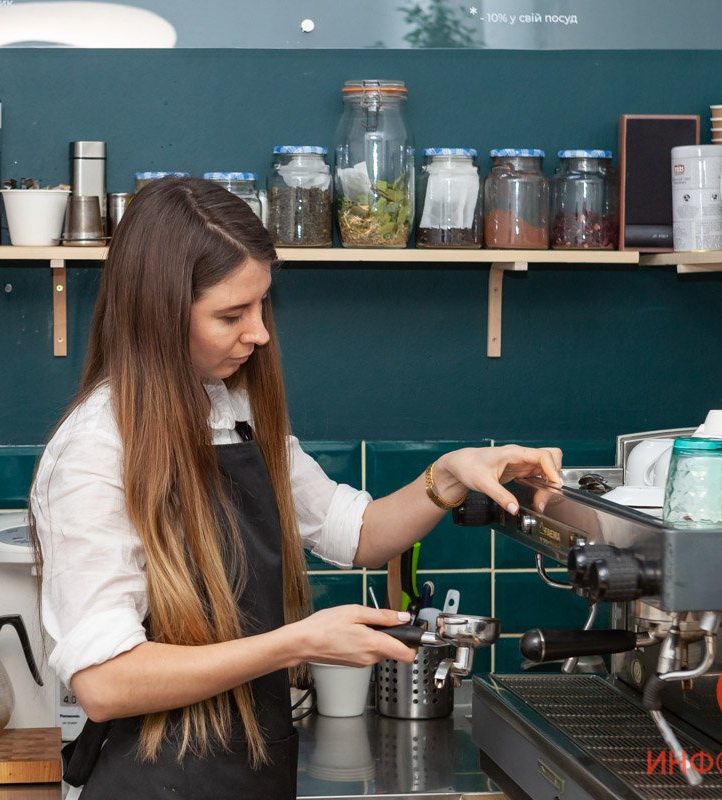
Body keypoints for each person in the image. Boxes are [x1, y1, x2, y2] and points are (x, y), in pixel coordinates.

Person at [29, 177, 562, 799]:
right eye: (231, 314)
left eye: (262, 307)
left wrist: (445, 475)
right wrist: (296, 643)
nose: (258, 334)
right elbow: (105, 682)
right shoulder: (94, 450)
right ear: (159, 313)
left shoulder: (232, 412)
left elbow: (356, 533)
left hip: (252, 774)